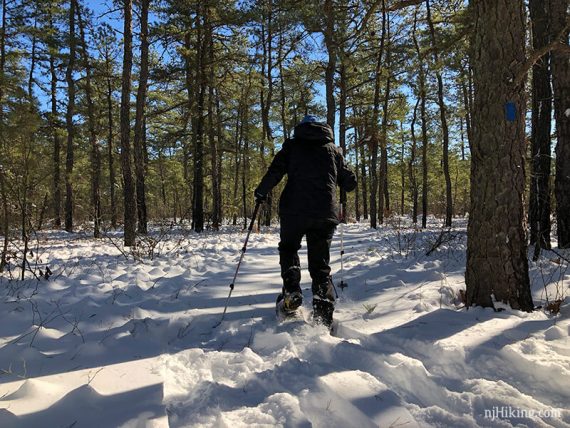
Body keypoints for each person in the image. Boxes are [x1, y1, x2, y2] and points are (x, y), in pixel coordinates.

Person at [254, 115, 357, 327]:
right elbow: (350, 183)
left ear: (299, 128)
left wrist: (261, 193)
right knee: (320, 263)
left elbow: (275, 172)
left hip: (294, 210)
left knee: (289, 249)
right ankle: (323, 306)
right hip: (324, 212)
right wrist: (340, 167)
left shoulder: (292, 147)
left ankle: (292, 291)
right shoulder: (333, 150)